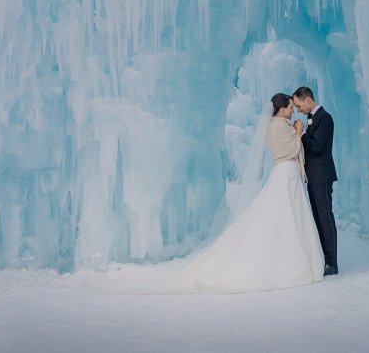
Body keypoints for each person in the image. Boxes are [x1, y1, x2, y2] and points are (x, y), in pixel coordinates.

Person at [93, 93, 324, 294]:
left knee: (286, 215)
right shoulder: (277, 126)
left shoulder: (277, 125)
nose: (294, 109)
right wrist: (299, 132)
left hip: (288, 175)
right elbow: (289, 150)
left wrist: (294, 131)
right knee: (285, 216)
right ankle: (288, 262)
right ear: (282, 108)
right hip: (285, 172)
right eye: (290, 107)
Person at [292, 86, 338, 276]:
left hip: (322, 176)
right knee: (318, 218)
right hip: (314, 176)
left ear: (308, 100)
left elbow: (317, 146)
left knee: (325, 218)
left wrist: (302, 133)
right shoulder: (313, 119)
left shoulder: (324, 118)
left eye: (298, 105)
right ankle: (324, 259)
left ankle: (332, 263)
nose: (298, 109)